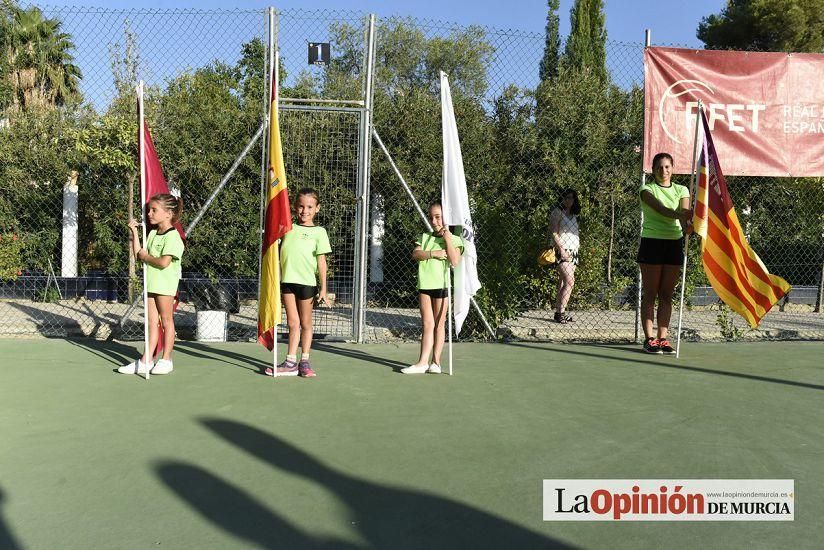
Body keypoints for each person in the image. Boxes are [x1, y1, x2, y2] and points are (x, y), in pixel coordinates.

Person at [265, 188, 331, 378]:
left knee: (306, 323)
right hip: (287, 282)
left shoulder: (320, 232)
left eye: (310, 207)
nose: (305, 211)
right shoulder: (287, 229)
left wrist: (324, 289)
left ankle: (305, 361)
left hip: (307, 284)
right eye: (301, 206)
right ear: (294, 208)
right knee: (293, 323)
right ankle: (290, 362)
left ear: (317, 208)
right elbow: (274, 252)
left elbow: (321, 261)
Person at [118, 193, 185, 376]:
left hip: (165, 286)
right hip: (151, 284)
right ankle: (146, 360)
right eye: (149, 210)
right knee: (151, 323)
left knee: (166, 321)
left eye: (154, 210)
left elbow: (164, 262)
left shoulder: (173, 237)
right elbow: (140, 253)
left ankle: (166, 359)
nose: (149, 213)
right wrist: (134, 232)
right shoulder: (154, 233)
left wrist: (146, 257)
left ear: (168, 213)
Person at [638, 152, 691, 355]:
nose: (663, 171)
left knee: (667, 295)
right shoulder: (646, 189)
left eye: (667, 167)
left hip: (674, 244)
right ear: (653, 170)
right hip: (652, 242)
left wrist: (688, 225)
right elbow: (660, 209)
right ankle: (649, 339)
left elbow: (684, 218)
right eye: (659, 167)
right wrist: (681, 215)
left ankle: (662, 338)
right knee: (651, 293)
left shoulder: (682, 189)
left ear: (673, 168)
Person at [402, 201, 463, 375]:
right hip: (425, 286)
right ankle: (422, 363)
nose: (434, 221)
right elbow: (416, 253)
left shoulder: (455, 239)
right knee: (427, 324)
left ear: (446, 218)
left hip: (442, 286)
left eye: (438, 217)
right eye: (431, 217)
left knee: (439, 324)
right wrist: (433, 254)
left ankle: (436, 362)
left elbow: (455, 260)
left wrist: (447, 239)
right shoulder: (425, 237)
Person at [548, 188, 581, 324]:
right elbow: (554, 232)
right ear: (561, 199)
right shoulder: (557, 212)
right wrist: (561, 249)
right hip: (562, 251)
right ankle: (560, 313)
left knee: (563, 282)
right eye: (566, 198)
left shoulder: (574, 215)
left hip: (573, 251)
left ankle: (559, 313)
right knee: (569, 281)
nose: (569, 201)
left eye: (571, 198)